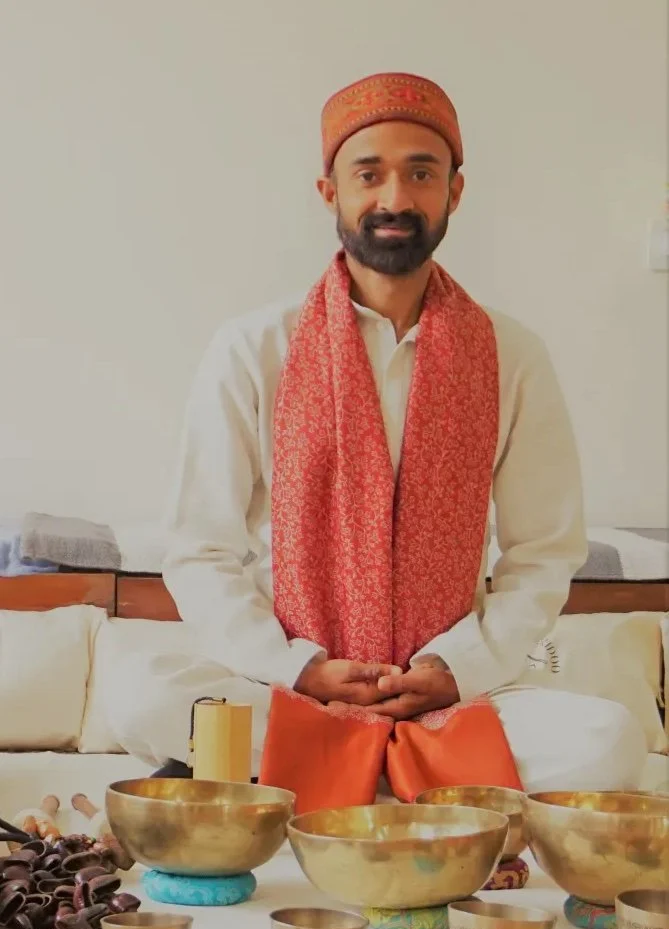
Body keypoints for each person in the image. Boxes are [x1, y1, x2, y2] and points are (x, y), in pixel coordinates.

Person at [109, 72, 646, 806]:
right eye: (369, 174)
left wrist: (456, 668)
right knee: (139, 694)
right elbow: (200, 548)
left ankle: (323, 768)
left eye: (420, 173)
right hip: (292, 683)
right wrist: (298, 669)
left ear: (454, 191)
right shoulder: (255, 347)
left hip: (448, 692)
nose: (394, 198)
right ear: (329, 191)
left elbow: (542, 553)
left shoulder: (510, 355)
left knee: (608, 740)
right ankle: (412, 773)